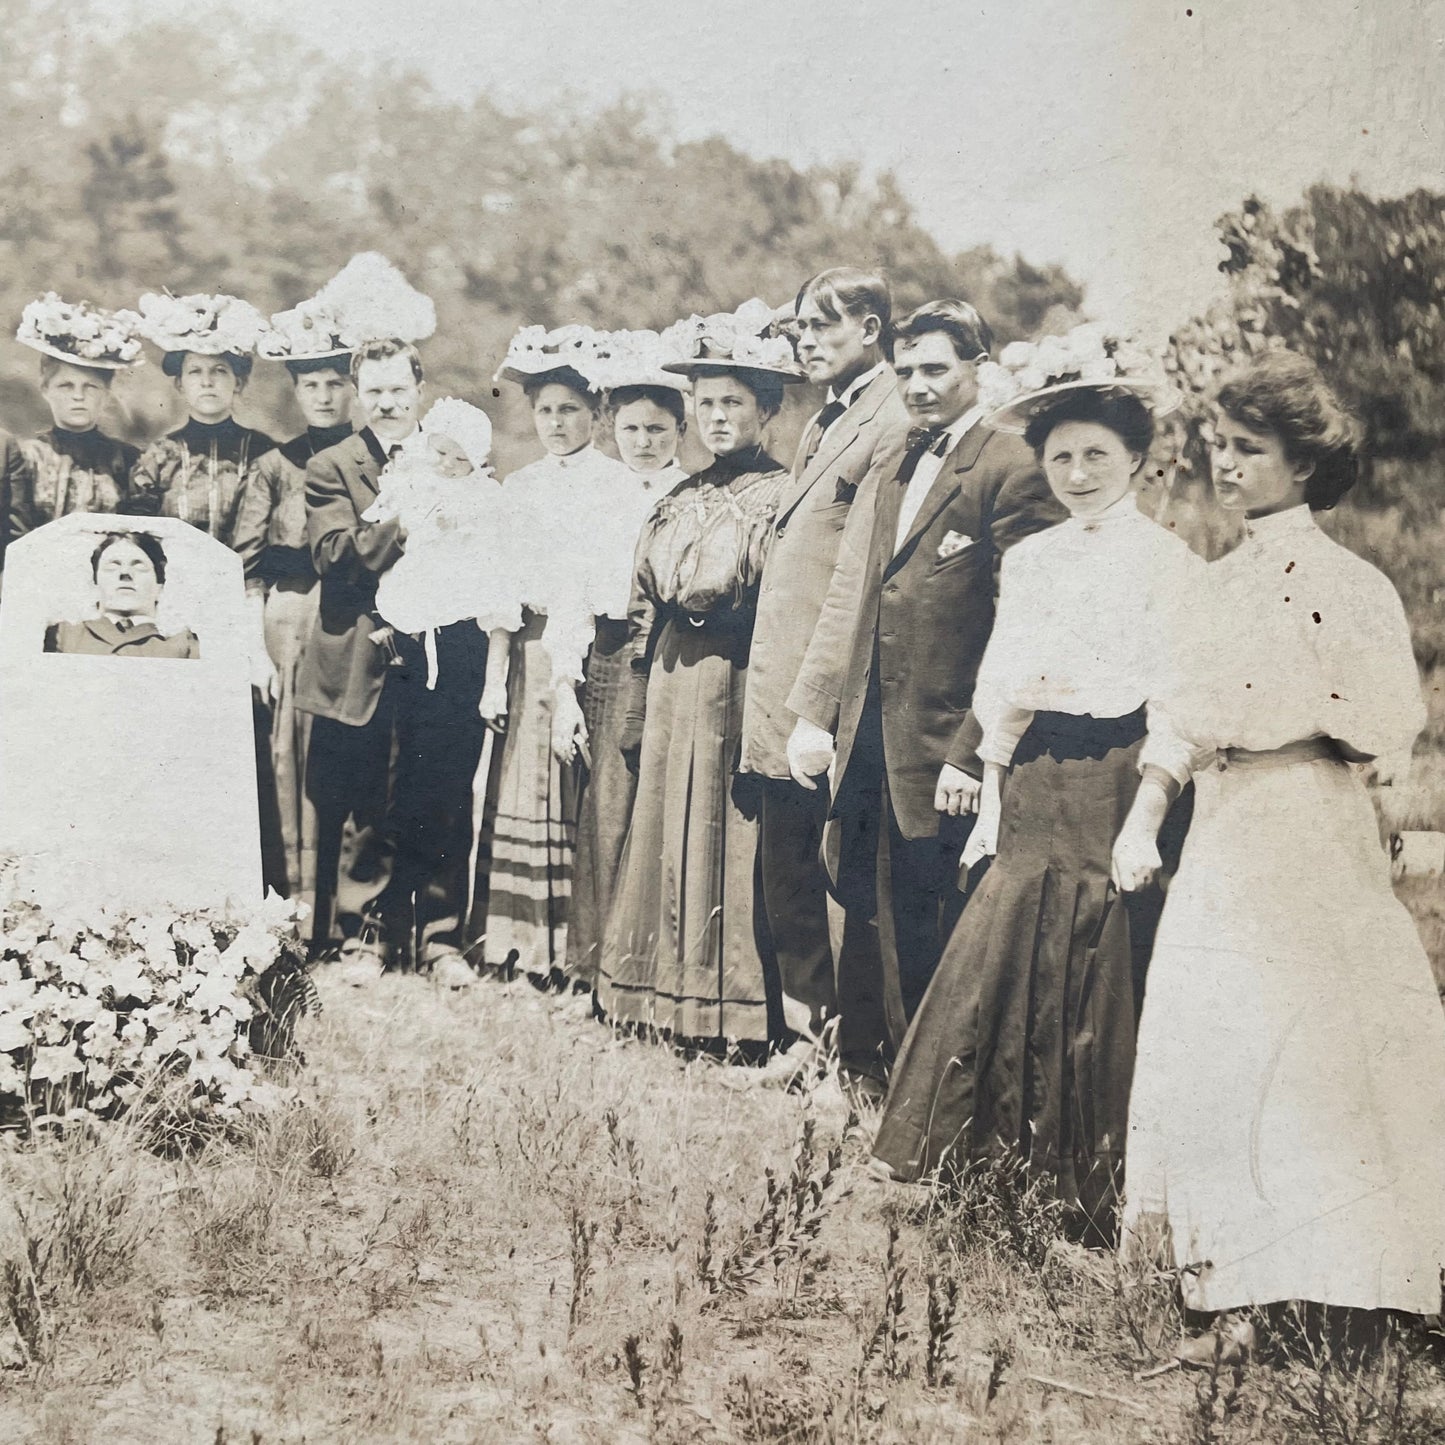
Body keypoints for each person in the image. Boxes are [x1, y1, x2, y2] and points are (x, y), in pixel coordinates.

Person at [1114, 350, 1445, 1356]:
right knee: (1224, 1042)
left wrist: (1279, 718)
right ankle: (1236, 1294)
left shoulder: (1349, 585)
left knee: (1319, 1045)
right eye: (1217, 445)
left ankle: (1364, 1286)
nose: (1226, 464)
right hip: (1221, 831)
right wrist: (1142, 813)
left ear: (1303, 465)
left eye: (1248, 449)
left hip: (1309, 821)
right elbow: (1173, 716)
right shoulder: (1208, 586)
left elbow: (1387, 716)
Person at [869, 330, 1195, 1239]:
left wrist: (1144, 818)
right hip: (1036, 779)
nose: (1078, 474)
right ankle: (991, 1168)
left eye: (1097, 455)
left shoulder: (1166, 562)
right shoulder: (1032, 558)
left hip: (1116, 776)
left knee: (1096, 967)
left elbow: (1177, 698)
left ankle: (1085, 1192)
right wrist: (990, 787)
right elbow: (1004, 682)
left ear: (1135, 459)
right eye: (1061, 457)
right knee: (1004, 948)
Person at [785, 300, 1065, 1094]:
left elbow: (1022, 621)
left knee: (934, 923)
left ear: (978, 367)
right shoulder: (897, 461)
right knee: (872, 911)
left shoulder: (1011, 466)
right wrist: (822, 716)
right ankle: (870, 1079)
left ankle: (938, 1104)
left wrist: (975, 749)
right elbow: (863, 600)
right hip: (874, 735)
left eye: (935, 369)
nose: (916, 385)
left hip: (947, 748)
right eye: (905, 371)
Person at [597, 299, 800, 1053]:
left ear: (767, 408)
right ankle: (653, 999)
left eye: (733, 403)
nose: (716, 418)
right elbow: (644, 607)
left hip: (736, 677)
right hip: (674, 677)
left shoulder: (780, 497)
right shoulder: (678, 497)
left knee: (726, 832)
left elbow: (783, 607)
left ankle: (732, 1013)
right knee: (661, 825)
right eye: (705, 404)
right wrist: (636, 704)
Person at [740, 267, 908, 1082]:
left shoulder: (890, 420)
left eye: (820, 325)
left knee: (832, 875)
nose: (803, 340)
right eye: (797, 327)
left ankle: (847, 1056)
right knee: (787, 869)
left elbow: (855, 581)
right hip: (779, 684)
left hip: (825, 695)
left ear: (871, 329)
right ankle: (802, 1043)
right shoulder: (821, 421)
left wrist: (816, 706)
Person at [299, 325, 490, 979]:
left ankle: (438, 936)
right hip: (371, 655)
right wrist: (403, 521)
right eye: (373, 391)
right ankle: (364, 936)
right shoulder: (332, 467)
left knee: (443, 786)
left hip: (447, 651)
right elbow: (332, 555)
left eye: (397, 389)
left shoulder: (457, 457)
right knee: (371, 797)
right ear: (357, 394)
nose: (386, 402)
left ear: (419, 390)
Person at [470, 326, 637, 985]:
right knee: (521, 784)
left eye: (570, 410)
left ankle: (578, 945)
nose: (557, 423)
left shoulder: (619, 484)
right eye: (545, 411)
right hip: (530, 655)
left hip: (596, 655)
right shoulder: (521, 487)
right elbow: (501, 595)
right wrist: (493, 678)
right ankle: (516, 944)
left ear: (596, 414)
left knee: (581, 788)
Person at [130, 290, 284, 892]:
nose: (209, 382)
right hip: (171, 620)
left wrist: (251, 642)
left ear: (240, 380)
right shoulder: (159, 457)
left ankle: (244, 889)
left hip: (244, 617)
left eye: (221, 370)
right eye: (196, 371)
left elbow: (258, 557)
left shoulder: (265, 455)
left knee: (240, 757)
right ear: (181, 382)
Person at [564, 331, 690, 989]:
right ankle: (592, 967)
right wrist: (565, 685)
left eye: (659, 429)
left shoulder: (692, 493)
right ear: (611, 427)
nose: (645, 441)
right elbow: (573, 593)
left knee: (664, 806)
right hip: (612, 652)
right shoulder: (597, 494)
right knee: (607, 808)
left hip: (675, 652)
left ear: (679, 430)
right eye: (633, 428)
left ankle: (657, 967)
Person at [234, 296, 359, 917]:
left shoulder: (373, 459)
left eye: (337, 383)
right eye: (313, 385)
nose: (325, 397)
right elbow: (249, 565)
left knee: (348, 757)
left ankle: (343, 914)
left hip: (353, 619)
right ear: (298, 391)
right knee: (289, 756)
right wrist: (256, 648)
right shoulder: (273, 467)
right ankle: (291, 908)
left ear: (352, 387)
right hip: (287, 619)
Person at [10, 293, 145, 543]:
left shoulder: (128, 460)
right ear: (46, 390)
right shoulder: (26, 457)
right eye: (66, 386)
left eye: (90, 387)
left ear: (106, 394)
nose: (78, 396)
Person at [45, 530, 199, 659]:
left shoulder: (184, 647)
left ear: (160, 587)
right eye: (112, 566)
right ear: (95, 585)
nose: (125, 573)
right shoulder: (61, 636)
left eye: (139, 566)